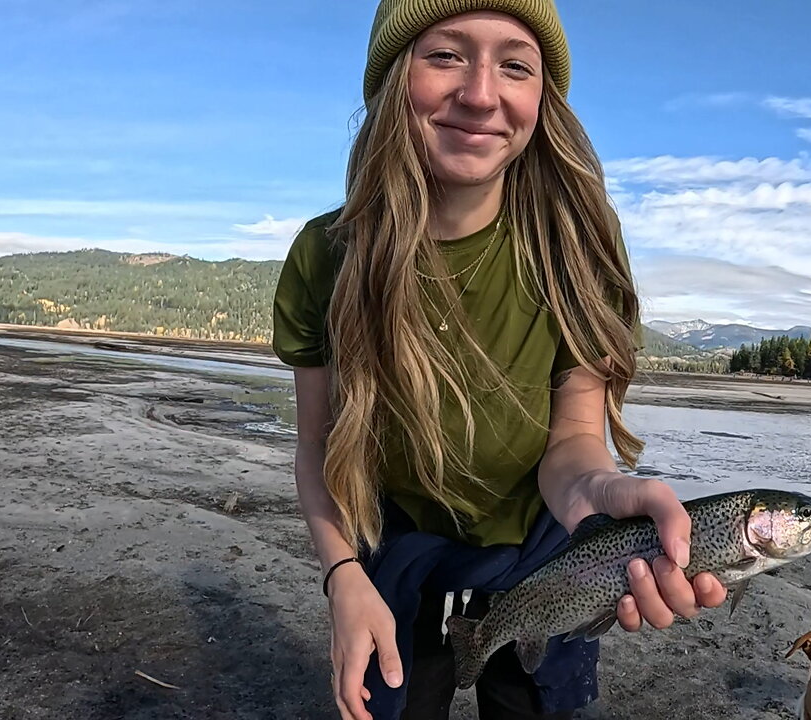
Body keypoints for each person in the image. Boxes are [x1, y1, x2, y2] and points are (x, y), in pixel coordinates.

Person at [271, 2, 728, 718]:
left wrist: (598, 493)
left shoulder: (576, 257)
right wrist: (342, 575)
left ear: (542, 99)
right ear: (394, 79)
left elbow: (573, 444)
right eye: (446, 55)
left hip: (549, 553)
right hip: (399, 551)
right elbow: (317, 446)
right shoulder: (326, 256)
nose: (481, 93)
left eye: (515, 64)